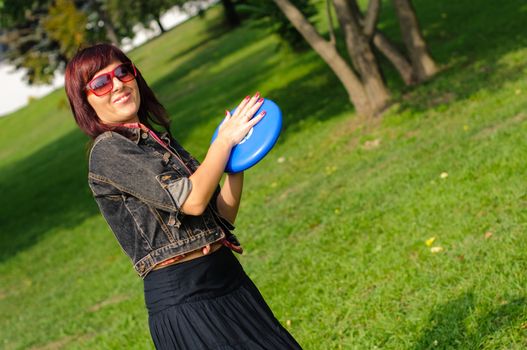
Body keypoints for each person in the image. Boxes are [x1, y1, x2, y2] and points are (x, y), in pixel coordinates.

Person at [64, 44, 302, 349]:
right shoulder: (109, 151)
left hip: (228, 279)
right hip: (187, 301)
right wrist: (224, 141)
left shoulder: (158, 143)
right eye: (100, 83)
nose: (118, 84)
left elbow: (222, 215)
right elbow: (192, 200)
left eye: (122, 72)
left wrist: (236, 161)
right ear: (85, 102)